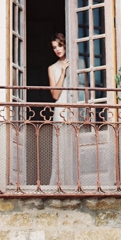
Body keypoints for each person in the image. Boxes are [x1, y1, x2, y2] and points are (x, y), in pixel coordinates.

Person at [47, 33, 76, 188]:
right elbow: (55, 94)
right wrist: (63, 72)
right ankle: (60, 184)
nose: (57, 49)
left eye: (60, 45)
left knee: (77, 147)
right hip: (61, 110)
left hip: (76, 110)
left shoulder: (79, 62)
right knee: (61, 148)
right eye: (54, 47)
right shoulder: (52, 68)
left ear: (65, 44)